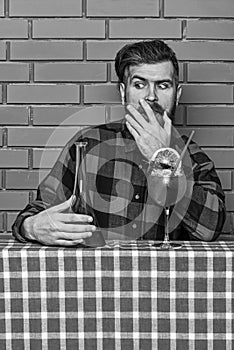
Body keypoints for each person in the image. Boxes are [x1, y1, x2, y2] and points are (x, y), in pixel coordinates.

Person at [12, 39, 226, 246]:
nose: (151, 96)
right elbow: (39, 211)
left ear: (177, 94)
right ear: (123, 92)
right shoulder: (88, 145)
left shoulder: (195, 158)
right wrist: (30, 227)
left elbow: (211, 228)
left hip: (161, 280)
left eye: (162, 85)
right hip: (95, 278)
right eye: (139, 84)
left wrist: (161, 156)